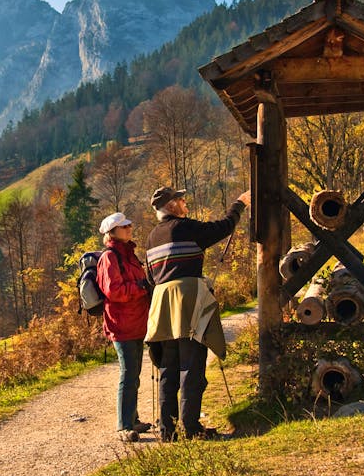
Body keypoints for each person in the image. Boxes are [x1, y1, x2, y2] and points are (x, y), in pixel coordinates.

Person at [144, 186, 250, 441]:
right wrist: (240, 204)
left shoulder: (151, 237)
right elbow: (223, 227)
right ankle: (191, 429)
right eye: (180, 200)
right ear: (170, 207)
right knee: (192, 365)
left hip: (161, 303)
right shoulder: (184, 227)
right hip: (187, 299)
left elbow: (150, 278)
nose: (185, 203)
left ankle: (168, 431)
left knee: (168, 368)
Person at [96, 212, 152, 443]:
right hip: (122, 325)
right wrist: (142, 287)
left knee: (135, 374)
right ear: (112, 232)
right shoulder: (110, 257)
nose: (129, 227)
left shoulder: (128, 254)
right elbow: (115, 291)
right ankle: (124, 426)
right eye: (123, 226)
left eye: (129, 224)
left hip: (136, 322)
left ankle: (133, 419)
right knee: (128, 375)